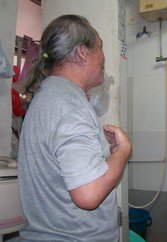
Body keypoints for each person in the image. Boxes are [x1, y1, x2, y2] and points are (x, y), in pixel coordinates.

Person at [17, 15, 131, 242]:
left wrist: (100, 154)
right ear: (82, 53)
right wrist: (122, 152)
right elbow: (89, 194)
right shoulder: (70, 106)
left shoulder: (48, 96)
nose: (103, 56)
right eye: (100, 47)